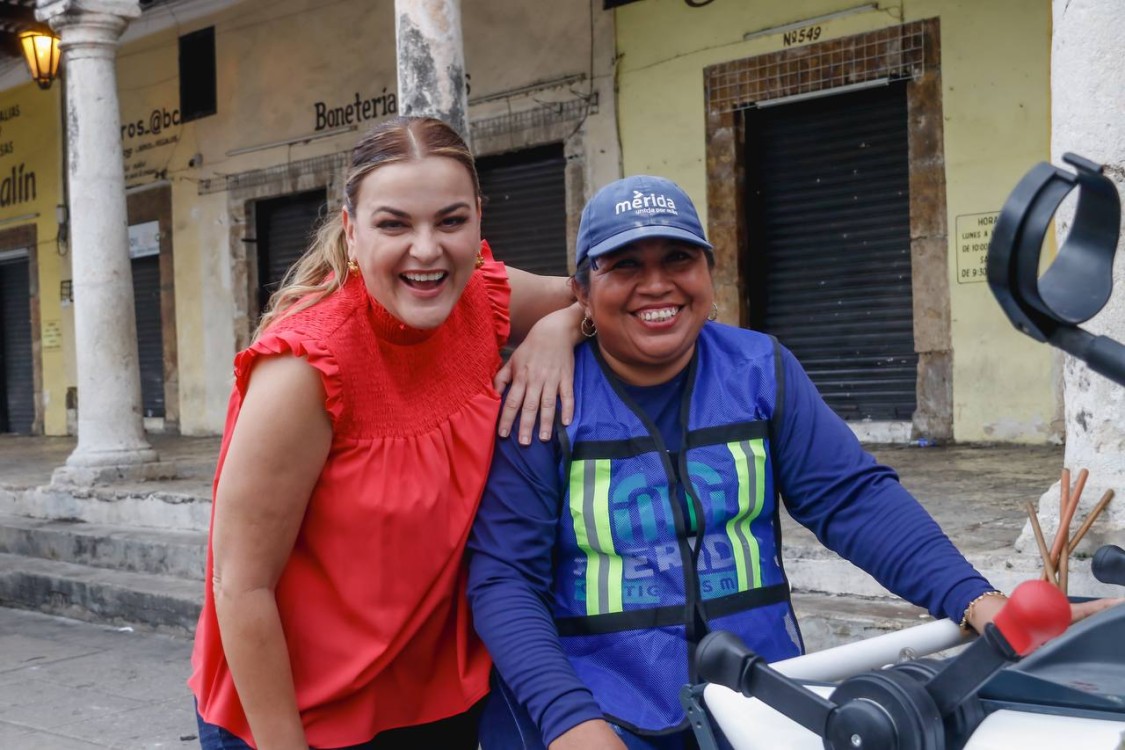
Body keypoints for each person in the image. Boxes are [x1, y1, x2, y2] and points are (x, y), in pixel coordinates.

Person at [466, 175, 1120, 750]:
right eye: (624, 265)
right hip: (597, 711)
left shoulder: (758, 370)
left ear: (709, 274)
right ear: (581, 290)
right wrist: (567, 720)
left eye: (678, 259)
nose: (656, 284)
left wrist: (975, 598)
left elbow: (850, 499)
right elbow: (504, 577)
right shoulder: (545, 394)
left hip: (757, 702)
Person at [188, 116, 582, 750]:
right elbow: (240, 586)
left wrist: (558, 330)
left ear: (478, 219)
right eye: (394, 224)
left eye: (450, 221)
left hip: (436, 700)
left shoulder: (482, 299)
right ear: (351, 230)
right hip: (302, 717)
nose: (426, 250)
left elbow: (609, 298)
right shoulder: (305, 367)